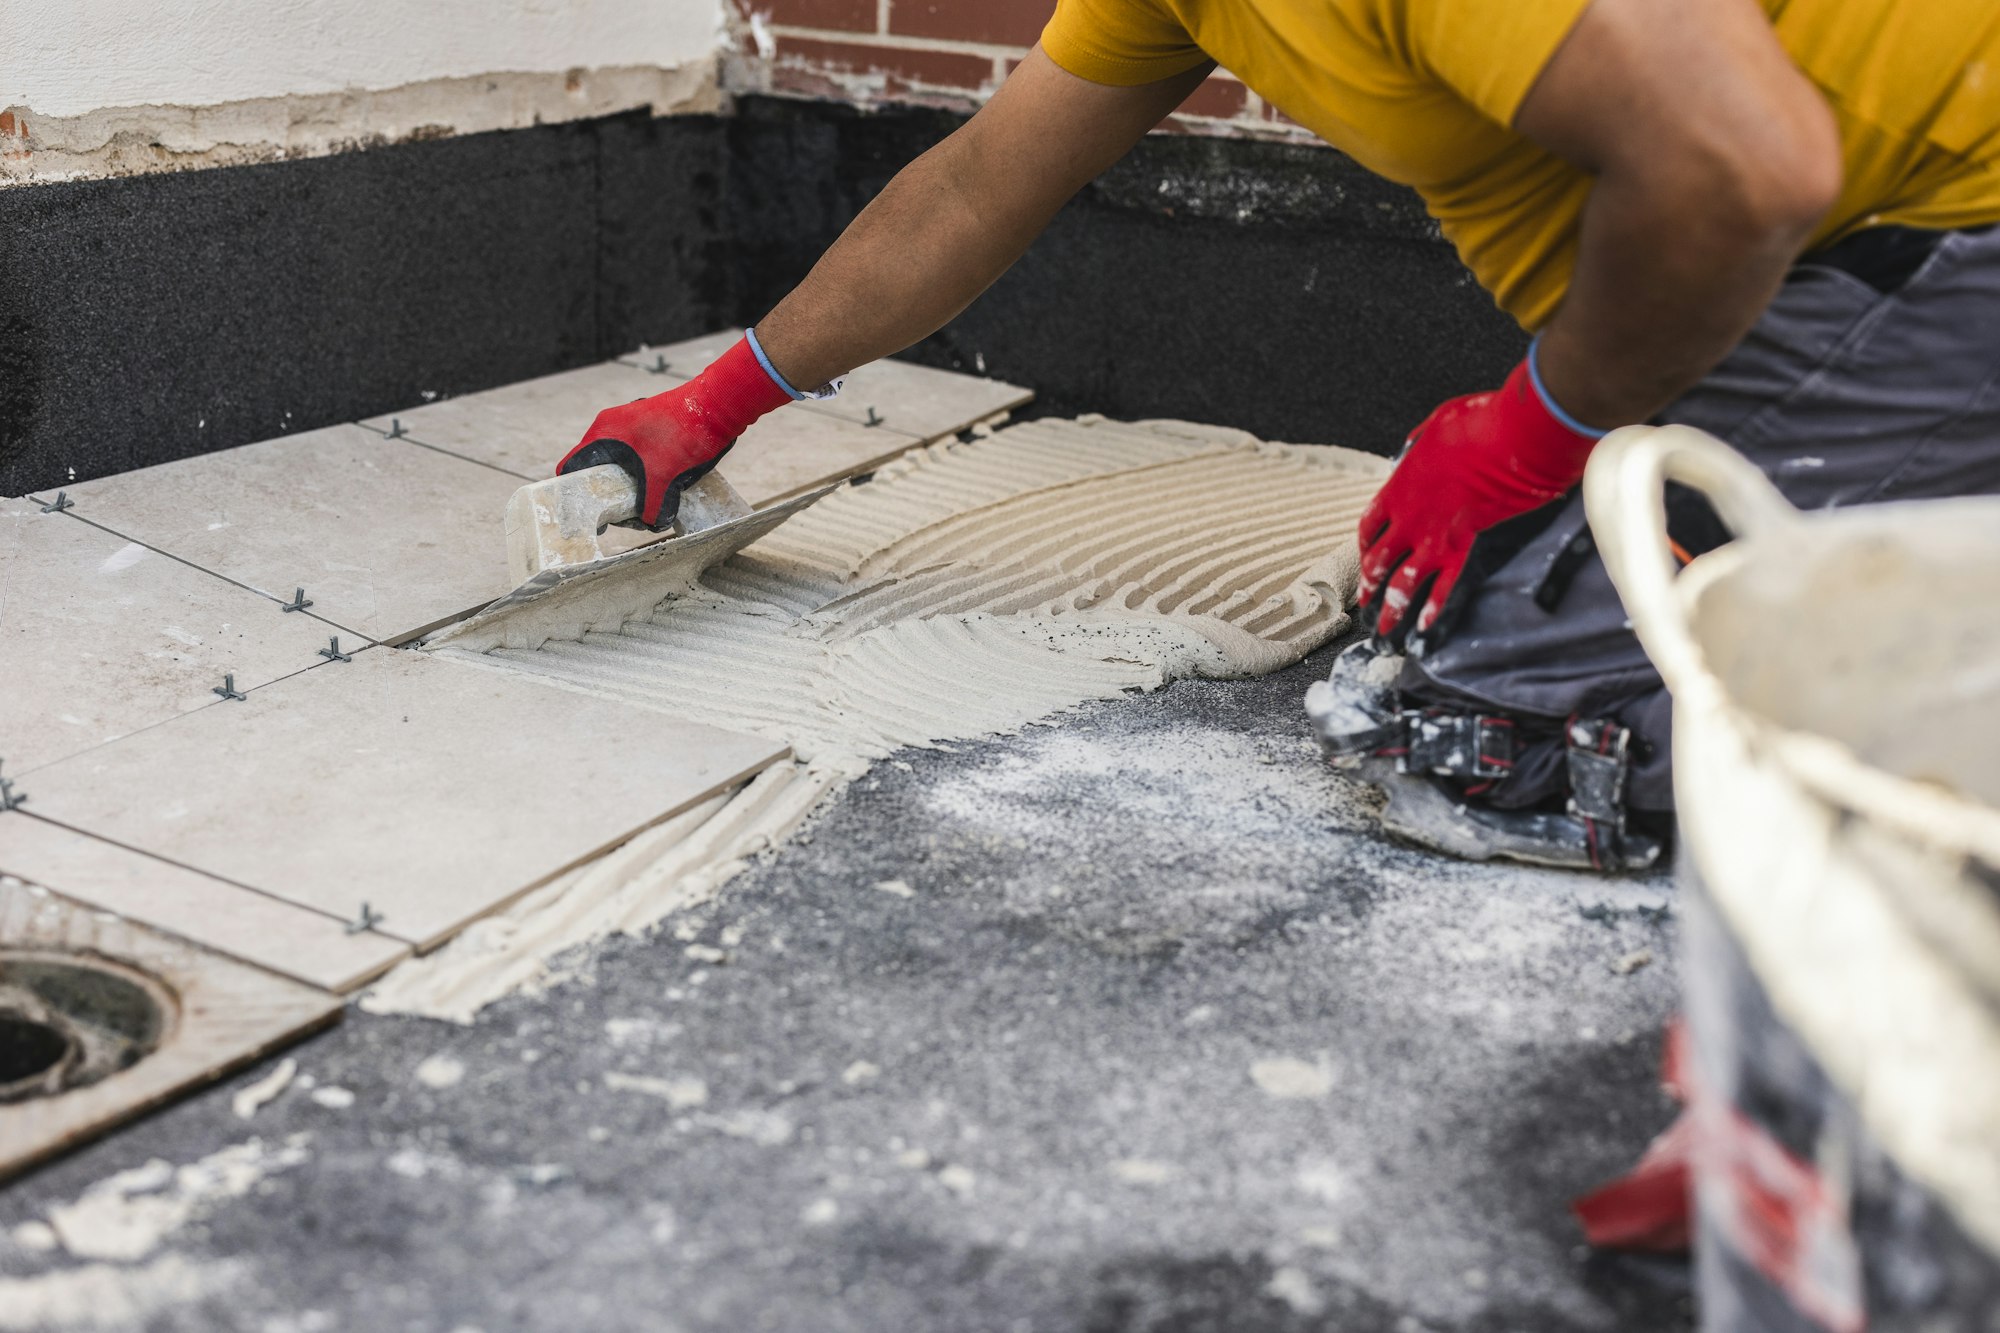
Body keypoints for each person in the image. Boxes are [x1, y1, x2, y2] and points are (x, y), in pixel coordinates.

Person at [556, 0, 2000, 872]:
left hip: (1943, 229)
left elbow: (1746, 169)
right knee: (1471, 632)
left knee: (1489, 731)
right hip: (1819, 257)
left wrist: (1531, 429)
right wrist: (722, 396)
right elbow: (974, 187)